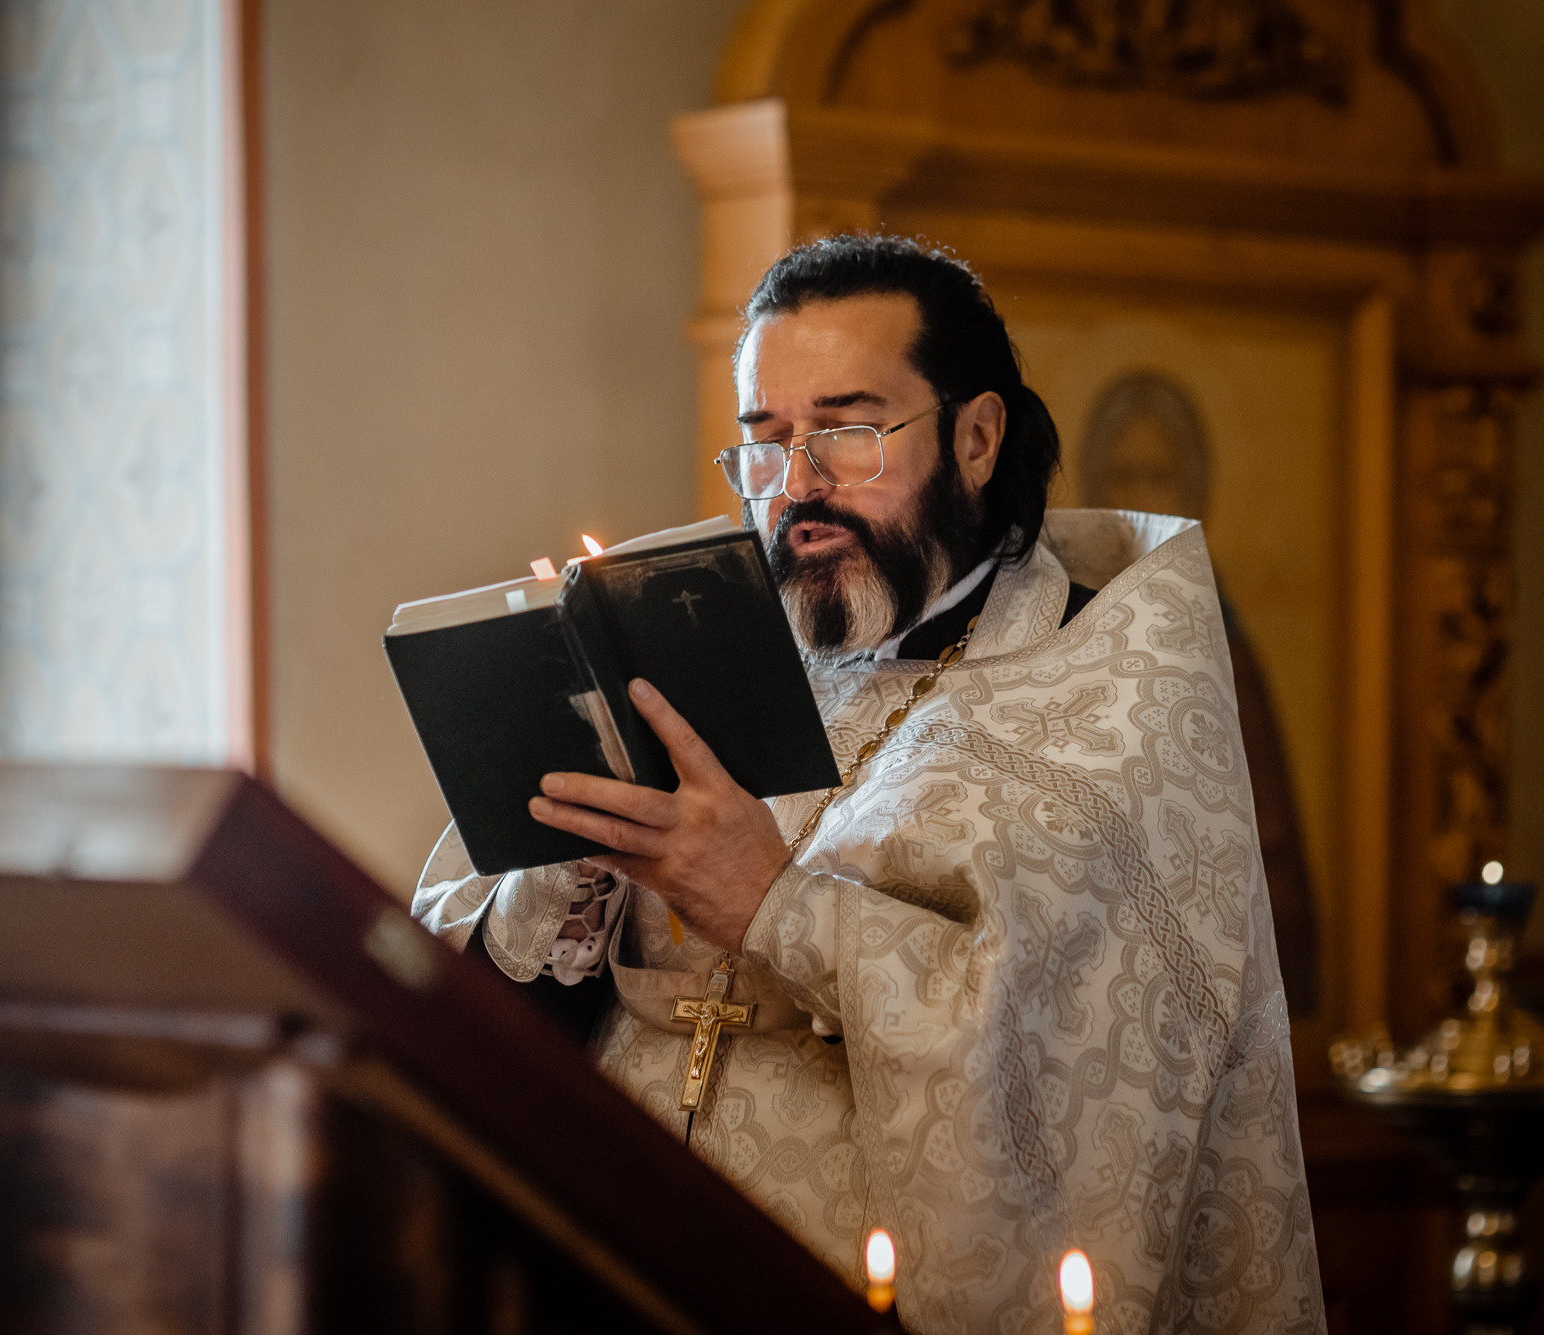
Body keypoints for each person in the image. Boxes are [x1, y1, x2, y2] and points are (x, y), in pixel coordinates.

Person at [412, 235, 1322, 1332]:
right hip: (613, 1264)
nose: (797, 485)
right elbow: (473, 1020)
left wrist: (771, 907)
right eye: (765, 442)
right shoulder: (691, 643)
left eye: (846, 432)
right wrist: (567, 868)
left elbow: (1063, 1066)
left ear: (976, 436)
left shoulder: (1106, 688)